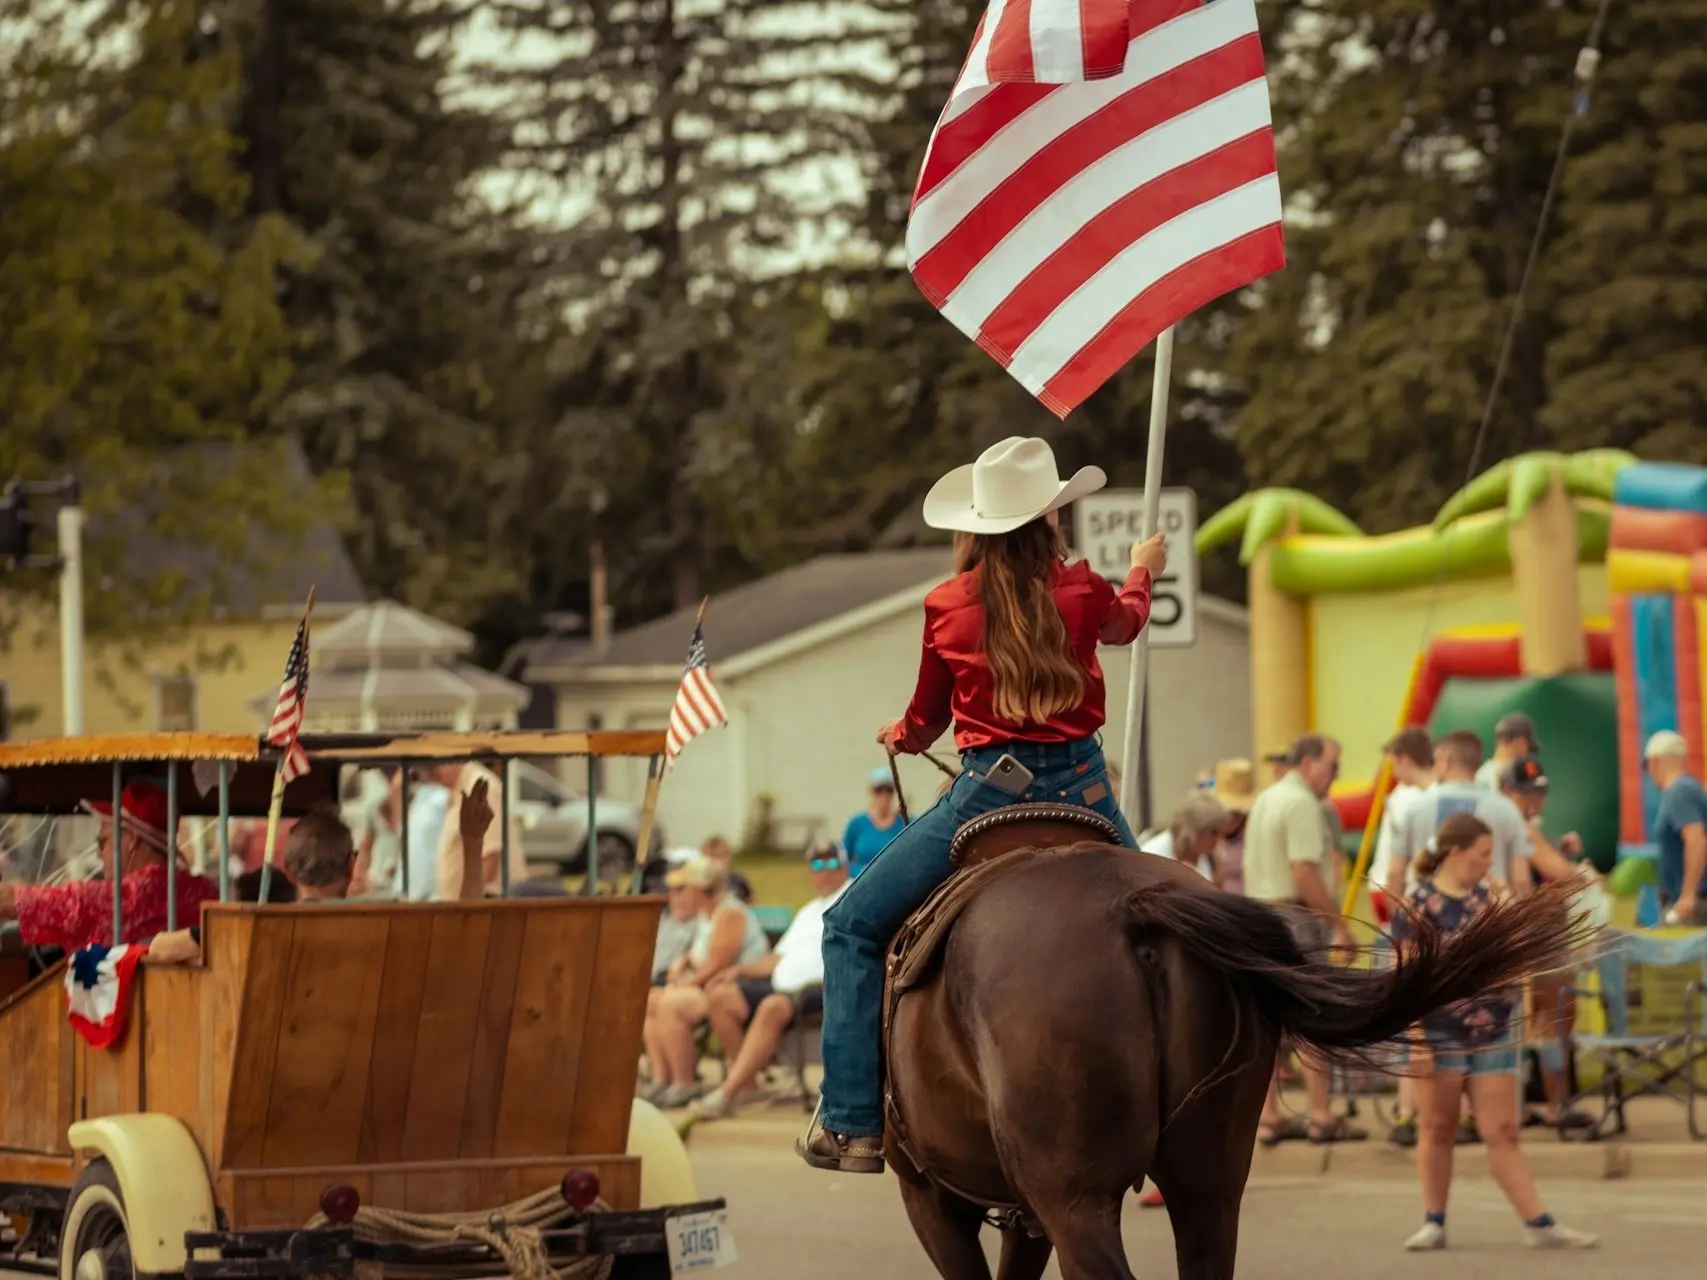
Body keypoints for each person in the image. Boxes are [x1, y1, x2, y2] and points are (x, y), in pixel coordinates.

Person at [798, 435, 1164, 1174]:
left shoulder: (946, 604)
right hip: (1089, 787)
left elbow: (927, 719)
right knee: (1180, 924)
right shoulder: (1085, 588)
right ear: (1049, 521)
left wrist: (900, 737)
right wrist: (1140, 574)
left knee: (848, 927)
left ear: (974, 528)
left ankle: (850, 1122)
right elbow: (1125, 625)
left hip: (988, 794)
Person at [1393, 813, 1597, 1252]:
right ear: (1456, 852)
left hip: (1494, 1029)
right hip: (1440, 1029)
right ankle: (1434, 1219)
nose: (1489, 863)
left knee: (1502, 1129)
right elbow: (1407, 978)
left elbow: (1518, 955)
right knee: (1437, 1127)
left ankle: (1538, 1222)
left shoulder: (1491, 896)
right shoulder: (1419, 903)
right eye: (1483, 854)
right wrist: (1416, 1039)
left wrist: (1510, 907)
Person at [1244, 733, 1365, 1144]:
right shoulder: (1301, 803)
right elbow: (1304, 871)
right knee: (1313, 1014)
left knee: (1267, 1022)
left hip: (1260, 912)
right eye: (1333, 766)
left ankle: (1268, 1116)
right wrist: (1338, 925)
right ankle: (1319, 1113)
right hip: (1296, 914)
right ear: (1310, 763)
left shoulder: (1266, 798)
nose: (1336, 777)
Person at [692, 842, 852, 1120]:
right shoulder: (809, 910)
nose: (823, 872)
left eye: (830, 864)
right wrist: (738, 971)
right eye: (816, 865)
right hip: (782, 983)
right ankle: (750, 1084)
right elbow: (777, 958)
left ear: (844, 866)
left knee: (773, 1006)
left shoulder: (854, 897)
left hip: (822, 986)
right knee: (720, 995)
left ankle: (727, 1093)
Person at [0, 781, 219, 952]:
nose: (98, 853)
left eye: (102, 842)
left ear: (132, 839)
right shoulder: (207, 894)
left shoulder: (109, 902)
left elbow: (12, 900)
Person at [1498, 756, 1594, 1131]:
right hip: (1539, 939)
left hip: (1536, 937)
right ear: (1510, 793)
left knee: (1541, 1023)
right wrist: (1576, 873)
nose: (1535, 801)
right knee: (1553, 1020)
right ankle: (1557, 1105)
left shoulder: (1521, 826)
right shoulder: (1520, 828)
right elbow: (1562, 876)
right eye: (1527, 794)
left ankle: (1537, 1103)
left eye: (1540, 793)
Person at [642, 856, 771, 1108]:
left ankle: (684, 1082)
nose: (677, 894)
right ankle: (662, 1078)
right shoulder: (707, 914)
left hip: (731, 987)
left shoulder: (730, 913)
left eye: (684, 888)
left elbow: (718, 964)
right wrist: (683, 962)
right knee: (652, 1000)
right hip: (707, 984)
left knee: (671, 1003)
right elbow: (699, 954)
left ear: (700, 890)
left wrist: (685, 984)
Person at [1372, 726, 1435, 1149]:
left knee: (1409, 1022)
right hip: (1418, 910)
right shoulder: (1426, 797)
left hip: (1402, 911)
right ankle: (1414, 1109)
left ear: (1406, 759)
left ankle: (1409, 1110)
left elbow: (1399, 868)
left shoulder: (1408, 801)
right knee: (1420, 1021)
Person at [1391, 730, 1533, 897]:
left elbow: (1395, 872)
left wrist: (1402, 916)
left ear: (1446, 761)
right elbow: (1521, 879)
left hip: (1426, 916)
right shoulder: (1507, 809)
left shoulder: (1415, 808)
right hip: (1489, 917)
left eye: (1435, 761)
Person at [1644, 730, 1707, 926]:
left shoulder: (1679, 791)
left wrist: (1688, 895)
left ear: (1654, 761)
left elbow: (1696, 838)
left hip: (1694, 904)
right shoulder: (1687, 787)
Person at [1140, 791, 1230, 883]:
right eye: (1214, 832)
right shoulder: (1152, 855)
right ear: (1195, 830)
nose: (1218, 840)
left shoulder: (1209, 858)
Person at [842, 768, 907, 878]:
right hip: (861, 882)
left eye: (888, 790)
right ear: (870, 792)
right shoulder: (856, 824)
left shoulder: (906, 823)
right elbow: (843, 861)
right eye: (879, 790)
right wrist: (861, 872)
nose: (884, 795)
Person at [1475, 712, 1539, 791]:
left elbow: (1536, 782)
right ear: (1520, 741)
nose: (1527, 752)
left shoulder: (1482, 773)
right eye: (1528, 746)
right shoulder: (1492, 775)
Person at [700, 835, 753, 904]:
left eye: (721, 856)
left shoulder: (738, 881)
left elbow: (751, 903)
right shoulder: (700, 883)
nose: (718, 862)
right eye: (713, 856)